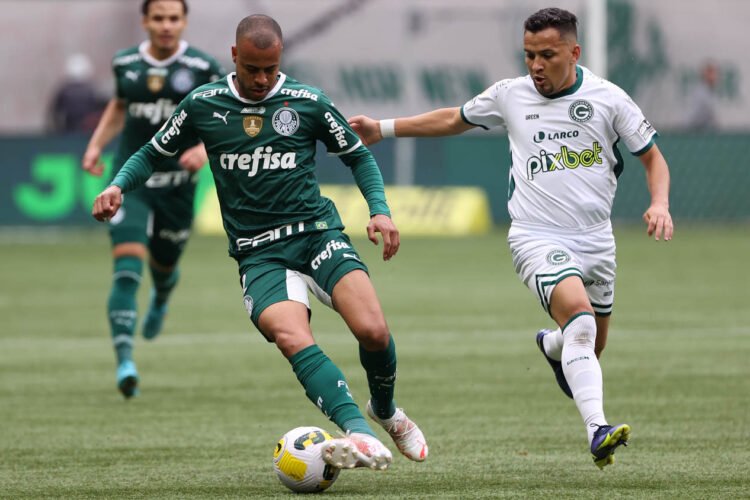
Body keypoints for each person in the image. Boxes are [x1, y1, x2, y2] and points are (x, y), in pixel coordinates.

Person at [91, 14, 428, 471]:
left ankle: (385, 411)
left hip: (316, 235)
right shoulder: (203, 104)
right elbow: (153, 151)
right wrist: (117, 186)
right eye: (252, 68)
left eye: (270, 68)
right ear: (235, 57)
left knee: (372, 331)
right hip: (258, 253)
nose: (262, 79)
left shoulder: (307, 102)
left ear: (280, 59)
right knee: (291, 336)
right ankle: (358, 432)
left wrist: (380, 210)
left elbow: (357, 155)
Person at [348, 7, 673, 469]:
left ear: (574, 52)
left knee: (589, 347)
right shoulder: (511, 95)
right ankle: (598, 429)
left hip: (598, 241)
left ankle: (552, 345)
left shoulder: (609, 99)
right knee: (580, 322)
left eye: (547, 55)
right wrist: (383, 128)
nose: (536, 66)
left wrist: (659, 203)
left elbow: (653, 159)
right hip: (536, 236)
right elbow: (453, 119)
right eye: (528, 56)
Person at [82, 0, 224, 399]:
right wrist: (96, 146)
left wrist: (206, 151)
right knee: (127, 268)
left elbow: (223, 118)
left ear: (184, 22)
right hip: (130, 181)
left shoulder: (202, 67)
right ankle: (125, 360)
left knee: (163, 265)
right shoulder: (125, 62)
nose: (166, 25)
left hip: (178, 185)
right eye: (158, 18)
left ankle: (162, 295)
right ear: (145, 21)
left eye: (173, 18)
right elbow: (119, 106)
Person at [49, 53, 104, 133]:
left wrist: (57, 130)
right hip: (86, 133)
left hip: (68, 132)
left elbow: (54, 113)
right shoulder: (91, 91)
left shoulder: (64, 91)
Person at [686, 61, 719, 130]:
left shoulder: (710, 92)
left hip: (701, 131)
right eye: (710, 73)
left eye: (714, 73)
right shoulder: (700, 92)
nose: (714, 76)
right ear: (705, 75)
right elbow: (694, 117)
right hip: (692, 131)